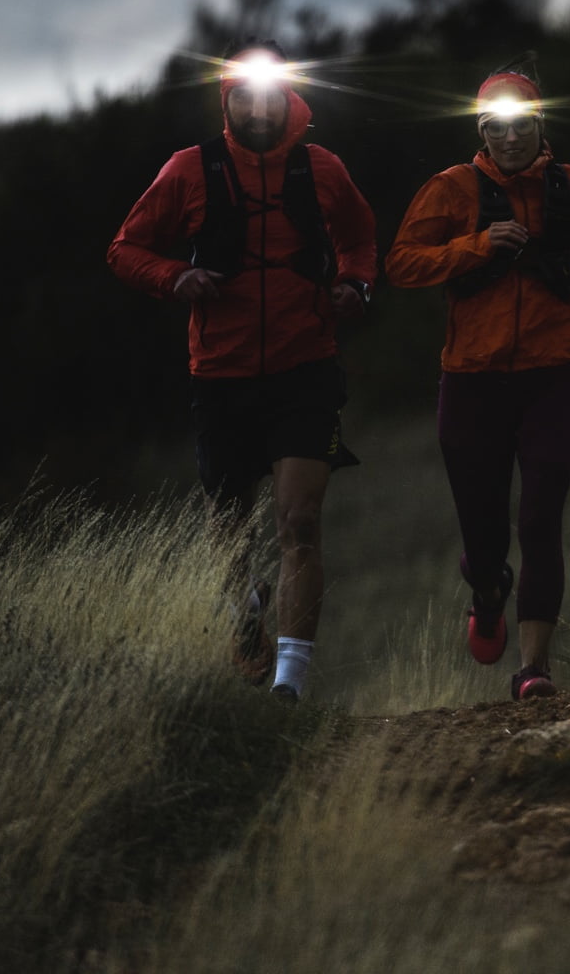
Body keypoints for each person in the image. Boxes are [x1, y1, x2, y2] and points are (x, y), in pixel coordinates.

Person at [107, 40, 377, 701]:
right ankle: (244, 609)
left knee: (300, 522)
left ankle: (291, 683)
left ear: (287, 96)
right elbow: (125, 248)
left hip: (305, 369)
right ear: (225, 100)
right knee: (228, 533)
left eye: (268, 94)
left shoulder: (322, 169)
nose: (257, 107)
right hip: (221, 374)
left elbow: (362, 239)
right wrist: (176, 277)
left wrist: (356, 285)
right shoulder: (189, 170)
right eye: (242, 95)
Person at [384, 64, 570, 700]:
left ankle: (534, 668)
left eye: (521, 126)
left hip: (553, 376)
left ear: (540, 124)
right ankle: (487, 592)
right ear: (481, 130)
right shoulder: (450, 188)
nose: (509, 139)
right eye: (497, 128)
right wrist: (478, 244)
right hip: (472, 383)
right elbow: (403, 264)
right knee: (485, 534)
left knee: (541, 518)